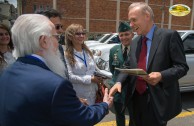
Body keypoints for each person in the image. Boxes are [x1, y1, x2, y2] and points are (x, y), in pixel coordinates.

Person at [0, 14, 113, 126]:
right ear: (44, 41)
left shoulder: (7, 74)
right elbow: (84, 117)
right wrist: (105, 104)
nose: (58, 43)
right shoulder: (56, 85)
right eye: (56, 37)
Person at [109, 2, 189, 126]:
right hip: (135, 99)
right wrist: (119, 81)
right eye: (130, 21)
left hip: (156, 101)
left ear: (146, 16)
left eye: (134, 20)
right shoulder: (135, 42)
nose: (131, 25)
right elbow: (127, 66)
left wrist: (161, 76)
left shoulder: (169, 36)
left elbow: (182, 67)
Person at [64, 24, 103, 105]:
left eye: (83, 33)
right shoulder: (67, 55)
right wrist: (90, 79)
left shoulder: (88, 52)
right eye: (78, 34)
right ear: (70, 37)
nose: (81, 36)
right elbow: (69, 77)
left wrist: (101, 76)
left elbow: (94, 69)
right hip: (79, 96)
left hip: (93, 93)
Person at [108, 21, 134, 126]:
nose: (124, 37)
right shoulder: (114, 50)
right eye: (121, 35)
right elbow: (112, 68)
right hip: (117, 89)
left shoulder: (137, 49)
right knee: (119, 115)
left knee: (134, 115)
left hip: (132, 89)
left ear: (132, 34)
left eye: (127, 34)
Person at [37, 9, 68, 79]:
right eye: (57, 27)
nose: (61, 30)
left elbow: (65, 74)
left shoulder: (59, 48)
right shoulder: (35, 51)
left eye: (61, 27)